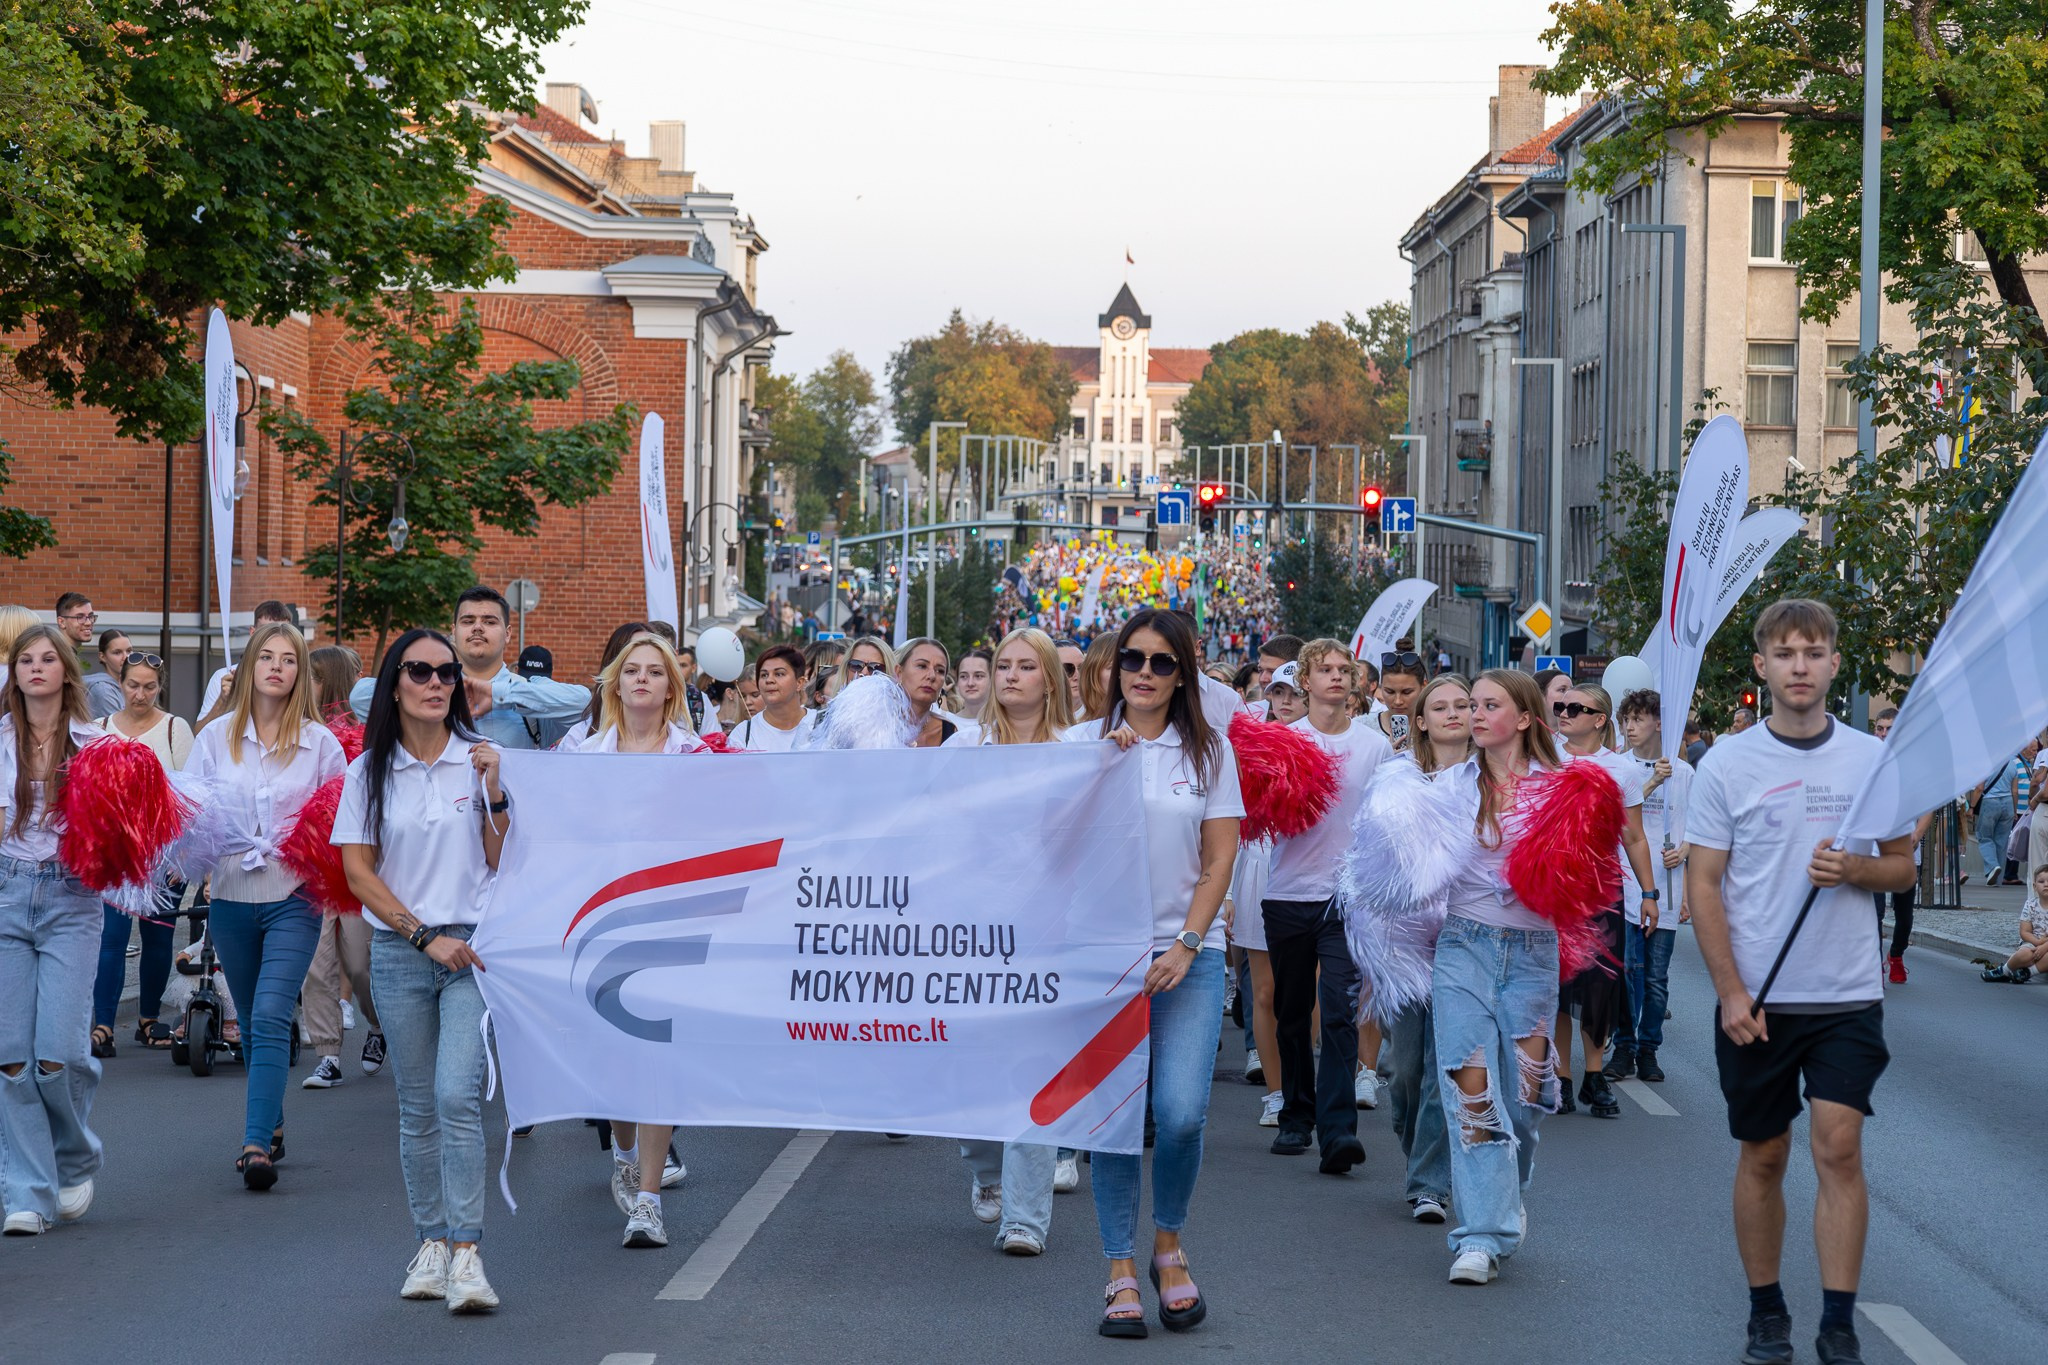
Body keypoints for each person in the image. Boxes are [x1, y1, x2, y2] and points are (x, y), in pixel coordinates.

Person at [1686, 599, 1916, 1365]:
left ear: (1834, 663)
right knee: (1765, 1153)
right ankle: (1766, 1307)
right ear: (1762, 666)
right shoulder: (1727, 763)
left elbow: (1901, 865)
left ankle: (1839, 1322)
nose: (1800, 667)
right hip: (1759, 999)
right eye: (1785, 654)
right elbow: (1706, 883)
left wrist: (1855, 868)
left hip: (1846, 992)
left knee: (1839, 1147)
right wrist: (1728, 990)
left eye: (1814, 653)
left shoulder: (1871, 759)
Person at [1063, 607, 1241, 1336]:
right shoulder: (1079, 746)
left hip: (1187, 957)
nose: (1143, 672)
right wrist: (1097, 772)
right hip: (1104, 961)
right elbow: (1049, 848)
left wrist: (1188, 943)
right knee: (1111, 1122)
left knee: (1181, 1112)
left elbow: (1219, 857)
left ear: (1182, 674)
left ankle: (1168, 1243)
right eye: (1133, 658)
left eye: (1161, 662)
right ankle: (1118, 1267)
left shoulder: (1208, 751)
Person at [333, 628, 509, 1312]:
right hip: (403, 950)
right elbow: (357, 871)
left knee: (455, 1097)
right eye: (421, 671)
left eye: (447, 673)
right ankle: (431, 1241)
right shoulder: (368, 770)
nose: (437, 682)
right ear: (395, 683)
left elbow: (502, 859)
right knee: (416, 1107)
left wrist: (494, 791)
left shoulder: (482, 759)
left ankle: (467, 1251)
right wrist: (421, 933)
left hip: (473, 950)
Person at [187, 622, 349, 1190]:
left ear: (301, 672)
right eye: (267, 657)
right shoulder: (213, 739)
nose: (277, 667)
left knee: (273, 1012)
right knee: (254, 1020)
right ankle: (272, 1124)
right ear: (250, 666)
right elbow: (194, 812)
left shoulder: (321, 743)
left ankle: (254, 1144)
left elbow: (342, 818)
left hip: (295, 894)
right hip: (231, 892)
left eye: (289, 659)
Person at [1432, 668, 1567, 1286]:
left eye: (1490, 705)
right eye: (1471, 705)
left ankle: (1506, 1189)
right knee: (1472, 1094)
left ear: (1525, 716)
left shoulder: (1563, 789)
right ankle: (1480, 1236)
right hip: (1462, 947)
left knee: (1525, 1102)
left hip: (1534, 953)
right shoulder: (1445, 788)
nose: (1474, 714)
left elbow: (1589, 880)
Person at [943, 628, 1074, 1254]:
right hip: (975, 932)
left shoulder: (1082, 749)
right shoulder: (966, 747)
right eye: (1003, 665)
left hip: (1050, 936)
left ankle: (1025, 1216)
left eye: (1027, 666)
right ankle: (987, 1171)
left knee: (1035, 1072)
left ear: (1049, 677)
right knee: (974, 1077)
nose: (1011, 675)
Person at [578, 630, 703, 1247]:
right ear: (617, 683)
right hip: (599, 925)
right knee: (615, 1062)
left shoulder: (697, 757)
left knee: (660, 1058)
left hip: (672, 922)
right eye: (634, 671)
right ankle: (624, 1149)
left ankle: (648, 1198)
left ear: (671, 688)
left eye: (657, 672)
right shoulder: (582, 755)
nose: (644, 680)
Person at [1261, 639, 1390, 1171]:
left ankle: (1338, 1131)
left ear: (1354, 683)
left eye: (1344, 670)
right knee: (1293, 1014)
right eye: (1325, 670)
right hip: (1288, 893)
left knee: (1338, 1012)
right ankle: (1296, 1115)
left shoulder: (1374, 747)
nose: (1336, 677)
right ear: (1306, 682)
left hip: (1347, 898)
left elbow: (1386, 821)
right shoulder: (1282, 742)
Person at [0, 624, 108, 1236]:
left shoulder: (95, 744)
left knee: (59, 1055)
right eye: (25, 660)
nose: (36, 668)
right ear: (14, 674)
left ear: (66, 671)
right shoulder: (1, 740)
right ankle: (26, 1192)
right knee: (10, 1057)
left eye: (48, 659)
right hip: (7, 891)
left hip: (72, 896)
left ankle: (74, 1156)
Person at [1379, 674, 1473, 1226]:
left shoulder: (1490, 778)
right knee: (1406, 1070)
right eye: (1440, 706)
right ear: (1421, 720)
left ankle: (1429, 1183)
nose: (1454, 714)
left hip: (1468, 938)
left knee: (1446, 1069)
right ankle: (1419, 1151)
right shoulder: (1398, 779)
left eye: (1463, 704)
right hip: (1406, 944)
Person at [1550, 682, 1657, 1117]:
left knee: (1599, 986)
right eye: (1561, 705)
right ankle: (1560, 1080)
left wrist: (1649, 894)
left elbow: (1633, 836)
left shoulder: (1621, 771)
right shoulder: (1545, 758)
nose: (1564, 712)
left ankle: (1594, 1076)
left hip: (1602, 890)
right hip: (1552, 888)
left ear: (1599, 720)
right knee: (1555, 988)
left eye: (1576, 707)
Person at [89, 651, 193, 1058]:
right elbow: (88, 796)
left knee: (157, 938)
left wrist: (182, 858)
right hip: (115, 853)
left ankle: (148, 1020)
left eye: (149, 686)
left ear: (159, 686)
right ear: (120, 683)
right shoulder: (99, 728)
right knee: (110, 940)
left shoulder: (174, 729)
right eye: (133, 685)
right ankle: (102, 1026)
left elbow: (190, 797)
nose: (140, 693)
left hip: (164, 854)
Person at [349, 587, 589, 751]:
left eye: (489, 621)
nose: (477, 627)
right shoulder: (430, 688)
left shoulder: (530, 694)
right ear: (454, 631)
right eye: (468, 621)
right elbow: (360, 697)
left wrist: (498, 695)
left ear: (508, 634)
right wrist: (447, 691)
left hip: (510, 823)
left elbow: (583, 703)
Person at [300, 645, 386, 1087]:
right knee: (317, 965)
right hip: (313, 863)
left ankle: (378, 1025)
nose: (305, 683)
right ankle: (327, 1053)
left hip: (356, 864)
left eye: (313, 676)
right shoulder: (298, 730)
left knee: (359, 964)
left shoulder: (367, 733)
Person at [1611, 689, 1690, 1083]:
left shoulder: (1685, 772)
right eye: (1626, 719)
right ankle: (1623, 1047)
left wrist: (1686, 851)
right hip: (1627, 888)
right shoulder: (1620, 767)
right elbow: (1615, 816)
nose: (1629, 726)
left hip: (1668, 889)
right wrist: (1653, 782)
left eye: (1638, 719)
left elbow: (1697, 828)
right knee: (1628, 972)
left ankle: (1648, 1050)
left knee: (1657, 978)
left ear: (1659, 722)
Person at [198, 600, 297, 718]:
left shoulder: (298, 676)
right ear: (253, 632)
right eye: (265, 632)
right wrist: (223, 701)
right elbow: (201, 733)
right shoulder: (224, 678)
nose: (273, 639)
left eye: (281, 632)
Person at [730, 645, 818, 752]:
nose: (769, 680)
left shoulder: (820, 725)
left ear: (799, 683)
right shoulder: (743, 735)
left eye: (779, 674)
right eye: (764, 675)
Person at [1981, 867, 2048, 982]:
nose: (2046, 884)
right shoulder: (2030, 905)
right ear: (2034, 886)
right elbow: (2024, 931)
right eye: (2041, 882)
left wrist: (2044, 947)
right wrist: (2037, 943)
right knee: (2024, 954)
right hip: (2033, 942)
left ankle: (2028, 973)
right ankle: (2004, 971)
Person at [1968, 754, 2020, 888]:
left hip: (1990, 803)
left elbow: (1979, 788)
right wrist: (2014, 810)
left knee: (1984, 837)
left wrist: (1972, 807)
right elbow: (2015, 791)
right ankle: (1997, 879)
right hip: (2008, 803)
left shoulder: (1986, 765)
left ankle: (1993, 867)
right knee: (2002, 842)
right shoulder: (2012, 764)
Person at [896, 638, 955, 748]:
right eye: (922, 666)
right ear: (899, 672)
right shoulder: (877, 724)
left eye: (940, 670)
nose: (932, 676)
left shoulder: (951, 731)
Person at [1373, 650, 1427, 750]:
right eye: (1390, 692)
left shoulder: (1437, 729)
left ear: (1423, 686)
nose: (1398, 701)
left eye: (1407, 692)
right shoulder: (1362, 728)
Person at [86, 630, 129, 720]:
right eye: (117, 652)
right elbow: (117, 729)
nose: (125, 657)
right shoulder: (103, 690)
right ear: (103, 657)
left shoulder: (129, 686)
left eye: (129, 651)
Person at [1077, 633, 1120, 722]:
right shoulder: (1074, 733)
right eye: (1112, 668)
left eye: (1127, 666)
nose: (1121, 674)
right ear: (1093, 672)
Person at [953, 646, 992, 722]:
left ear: (992, 679)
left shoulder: (1005, 725)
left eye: (978, 676)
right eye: (964, 676)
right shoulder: (947, 725)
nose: (970, 683)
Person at [1054, 638, 1087, 716]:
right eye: (1067, 669)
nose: (1077, 676)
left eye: (1082, 667)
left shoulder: (1102, 716)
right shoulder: (1032, 717)